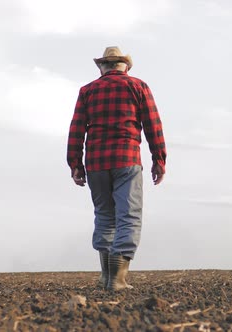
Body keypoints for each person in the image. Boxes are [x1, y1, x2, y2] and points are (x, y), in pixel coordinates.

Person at [67, 46, 167, 291]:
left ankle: (106, 276)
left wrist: (75, 164)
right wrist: (159, 160)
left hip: (96, 163)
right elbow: (153, 126)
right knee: (128, 216)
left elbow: (76, 129)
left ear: (102, 67)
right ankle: (117, 279)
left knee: (104, 215)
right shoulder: (138, 86)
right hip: (127, 160)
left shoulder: (87, 91)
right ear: (125, 66)